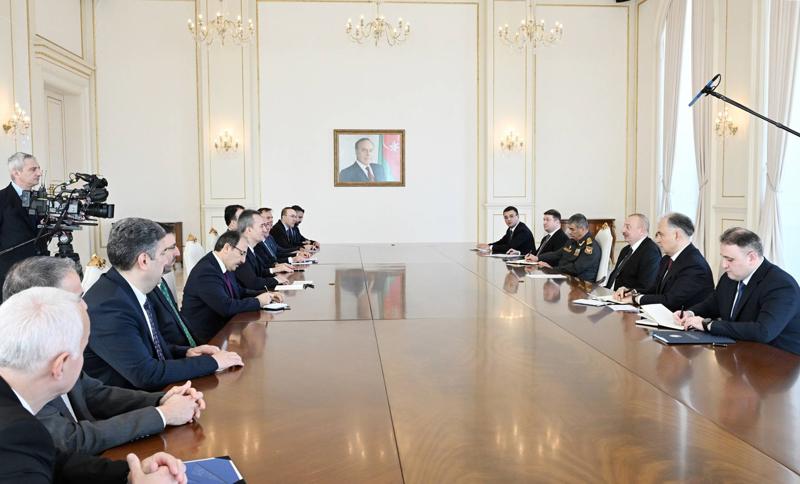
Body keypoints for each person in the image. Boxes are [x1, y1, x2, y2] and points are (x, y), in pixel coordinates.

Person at [2, 256, 205, 455]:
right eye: (76, 299)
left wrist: (162, 400)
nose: (86, 305)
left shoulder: (59, 345)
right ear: (38, 304)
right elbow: (72, 440)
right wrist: (163, 415)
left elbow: (94, 394)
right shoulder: (23, 368)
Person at [0, 287, 188, 483]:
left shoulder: (17, 416)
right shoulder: (11, 435)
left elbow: (57, 462)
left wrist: (130, 474)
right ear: (61, 365)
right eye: (83, 349)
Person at [83, 218, 242, 390]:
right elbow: (146, 374)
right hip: (131, 400)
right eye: (163, 253)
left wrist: (185, 352)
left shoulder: (130, 289)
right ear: (144, 261)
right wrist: (212, 362)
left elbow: (149, 346)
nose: (168, 260)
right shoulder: (109, 307)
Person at [674, 228, 800, 355]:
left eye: (730, 260)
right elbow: (713, 304)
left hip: (779, 359)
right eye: (723, 258)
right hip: (739, 352)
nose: (724, 265)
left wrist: (708, 325)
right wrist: (690, 313)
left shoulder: (781, 285)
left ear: (751, 258)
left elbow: (763, 331)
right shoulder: (730, 277)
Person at [182, 230, 283, 344]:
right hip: (206, 338)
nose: (243, 260)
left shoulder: (223, 264)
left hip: (223, 329)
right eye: (242, 253)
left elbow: (238, 291)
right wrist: (258, 302)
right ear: (227, 248)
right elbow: (226, 307)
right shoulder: (206, 271)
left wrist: (266, 294)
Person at [615, 212, 714, 311]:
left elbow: (671, 301)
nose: (657, 240)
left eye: (661, 235)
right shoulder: (666, 259)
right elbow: (655, 290)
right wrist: (632, 292)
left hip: (683, 319)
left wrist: (635, 299)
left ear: (676, 235)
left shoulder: (694, 265)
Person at [0, 152, 49, 288]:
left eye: (39, 168)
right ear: (16, 173)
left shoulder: (43, 199)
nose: (39, 173)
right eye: (33, 169)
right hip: (9, 276)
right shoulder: (1, 199)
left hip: (40, 273)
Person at [149, 225, 201, 349]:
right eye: (172, 247)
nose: (178, 252)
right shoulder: (145, 288)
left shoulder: (161, 280)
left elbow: (178, 320)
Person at [528, 213, 601, 282]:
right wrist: (537, 258)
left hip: (581, 284)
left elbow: (576, 268)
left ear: (582, 229)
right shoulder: (573, 241)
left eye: (572, 229)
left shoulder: (590, 247)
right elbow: (557, 254)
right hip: (567, 278)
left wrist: (552, 268)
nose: (569, 232)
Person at [604, 213, 661, 291]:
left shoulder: (651, 252)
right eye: (624, 226)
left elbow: (646, 287)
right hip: (609, 294)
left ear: (641, 231)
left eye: (627, 227)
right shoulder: (625, 250)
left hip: (626, 297)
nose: (622, 230)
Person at [234, 209, 286, 292]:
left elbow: (260, 272)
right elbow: (252, 283)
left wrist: (276, 274)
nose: (265, 230)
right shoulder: (240, 252)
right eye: (261, 226)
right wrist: (276, 280)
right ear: (249, 230)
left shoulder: (251, 249)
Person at [255, 207, 301, 272]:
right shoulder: (256, 241)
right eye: (268, 218)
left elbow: (279, 251)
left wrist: (297, 252)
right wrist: (291, 259)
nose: (271, 220)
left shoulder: (269, 236)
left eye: (272, 218)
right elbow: (266, 264)